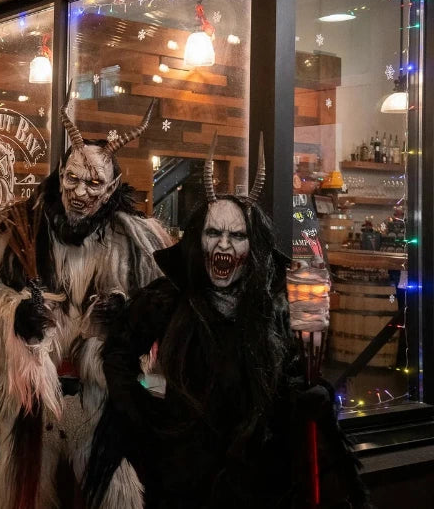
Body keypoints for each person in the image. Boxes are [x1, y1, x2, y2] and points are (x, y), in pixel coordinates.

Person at [86, 137, 369, 508]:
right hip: (182, 479)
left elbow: (293, 378)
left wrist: (312, 398)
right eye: (213, 233)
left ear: (253, 248)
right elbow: (119, 351)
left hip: (257, 481)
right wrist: (143, 415)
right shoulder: (167, 299)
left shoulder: (273, 307)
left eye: (237, 236)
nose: (223, 245)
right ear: (197, 240)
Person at [0, 90, 170, 509]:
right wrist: (19, 315)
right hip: (33, 397)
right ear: (59, 175)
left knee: (118, 495)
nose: (79, 192)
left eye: (94, 183)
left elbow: (159, 314)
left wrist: (125, 321)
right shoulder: (18, 228)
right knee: (21, 492)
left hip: (98, 399)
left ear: (112, 188)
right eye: (72, 179)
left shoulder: (135, 243)